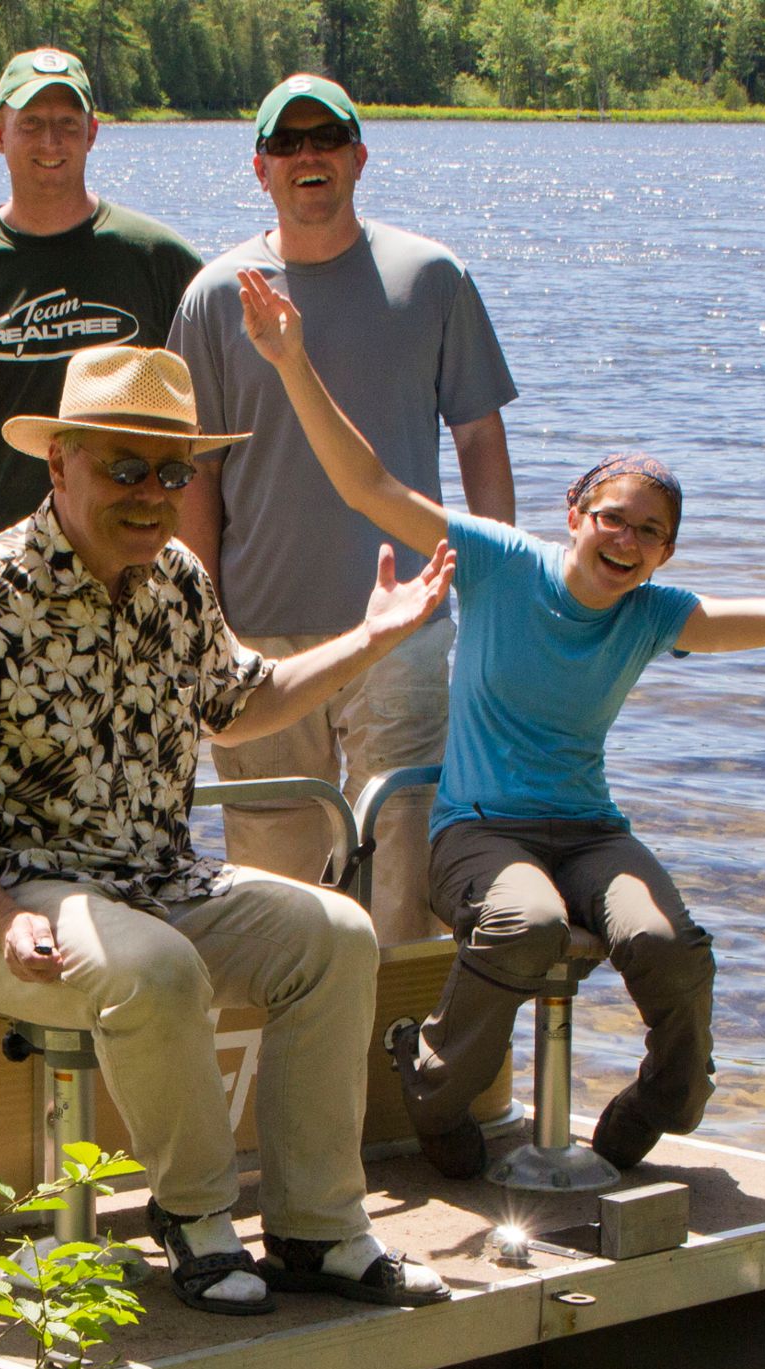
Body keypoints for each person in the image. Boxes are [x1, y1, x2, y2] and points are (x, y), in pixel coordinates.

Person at [231, 269, 765, 1175]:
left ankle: (661, 1101)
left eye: (650, 534)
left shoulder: (652, 615)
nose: (627, 541)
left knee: (664, 945)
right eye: (613, 519)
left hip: (590, 832)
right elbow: (368, 483)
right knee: (523, 927)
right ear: (576, 516)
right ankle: (433, 1080)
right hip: (480, 832)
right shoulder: (500, 562)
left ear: (666, 553)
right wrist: (292, 361)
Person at [0, 344, 455, 1317]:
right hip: (3, 902)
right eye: (124, 467)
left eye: (173, 471)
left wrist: (374, 637)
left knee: (337, 936)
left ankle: (318, 1227)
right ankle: (195, 1217)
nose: (152, 494)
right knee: (156, 966)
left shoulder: (175, 577)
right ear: (59, 464)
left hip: (161, 883)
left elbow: (242, 700)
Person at [168, 73, 517, 951]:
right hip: (260, 633)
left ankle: (396, 1061)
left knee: (404, 852)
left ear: (360, 156)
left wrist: (495, 591)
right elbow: (193, 479)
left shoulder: (431, 277)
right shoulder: (217, 296)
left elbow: (479, 439)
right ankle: (289, 1062)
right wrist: (202, 623)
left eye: (326, 137)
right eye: (287, 144)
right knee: (272, 874)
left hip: (405, 627)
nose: (308, 156)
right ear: (261, 169)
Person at [0, 47, 202, 577]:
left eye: (66, 123)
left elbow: (208, 422)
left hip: (135, 566)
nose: (50, 141)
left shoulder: (159, 259)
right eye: (30, 123)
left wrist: (194, 562)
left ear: (93, 132)